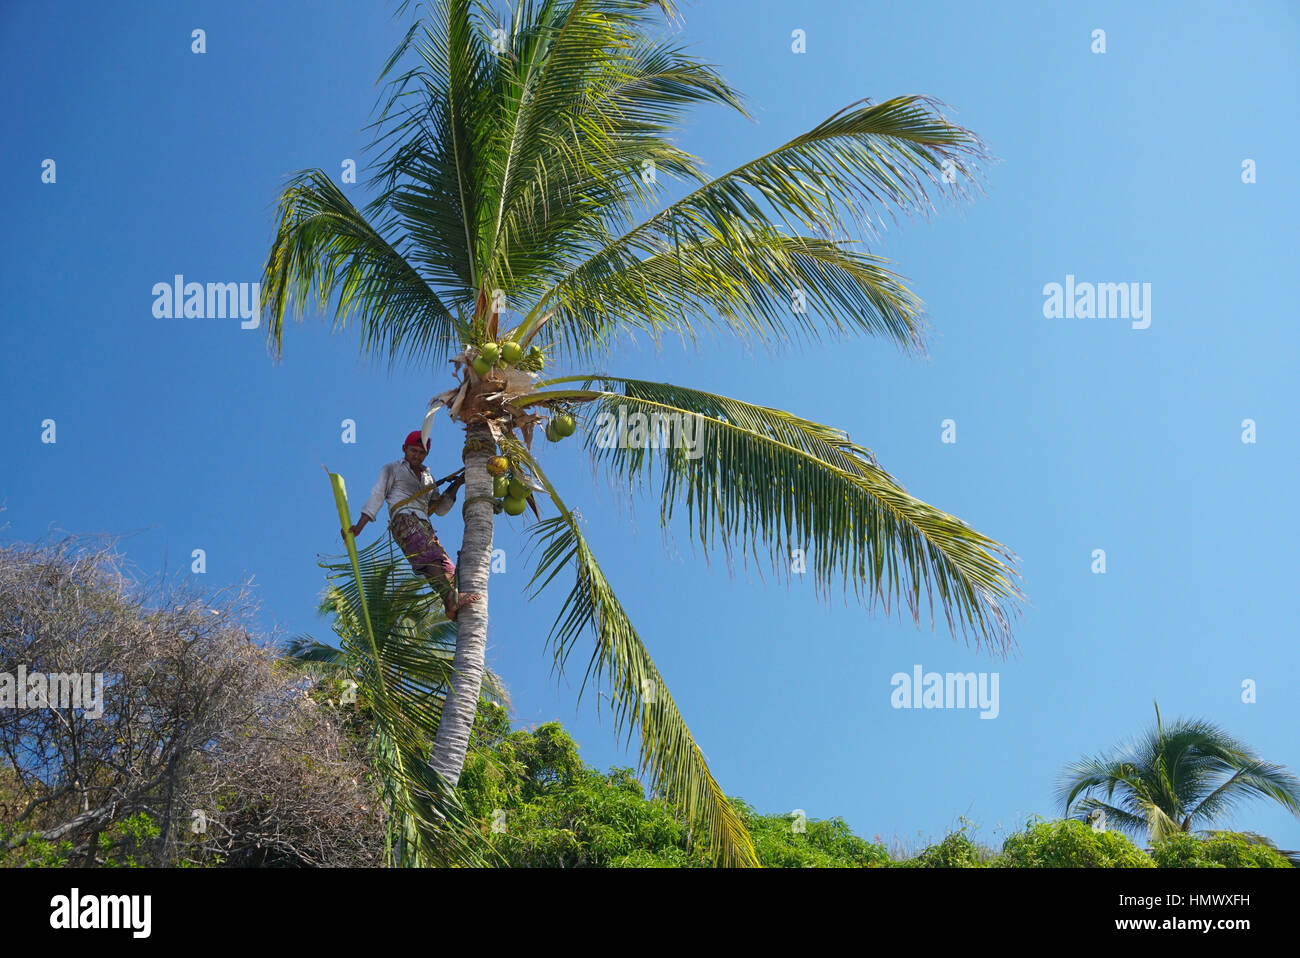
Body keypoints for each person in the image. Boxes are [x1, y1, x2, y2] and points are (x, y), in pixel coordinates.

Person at [342, 430, 471, 621]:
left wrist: (457, 485)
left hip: (424, 525)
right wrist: (359, 526)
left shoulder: (428, 477)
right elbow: (377, 495)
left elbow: (440, 508)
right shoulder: (392, 468)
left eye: (421, 453)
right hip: (403, 520)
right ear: (404, 449)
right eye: (413, 451)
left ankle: (449, 604)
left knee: (445, 566)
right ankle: (452, 599)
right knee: (430, 559)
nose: (417, 456)